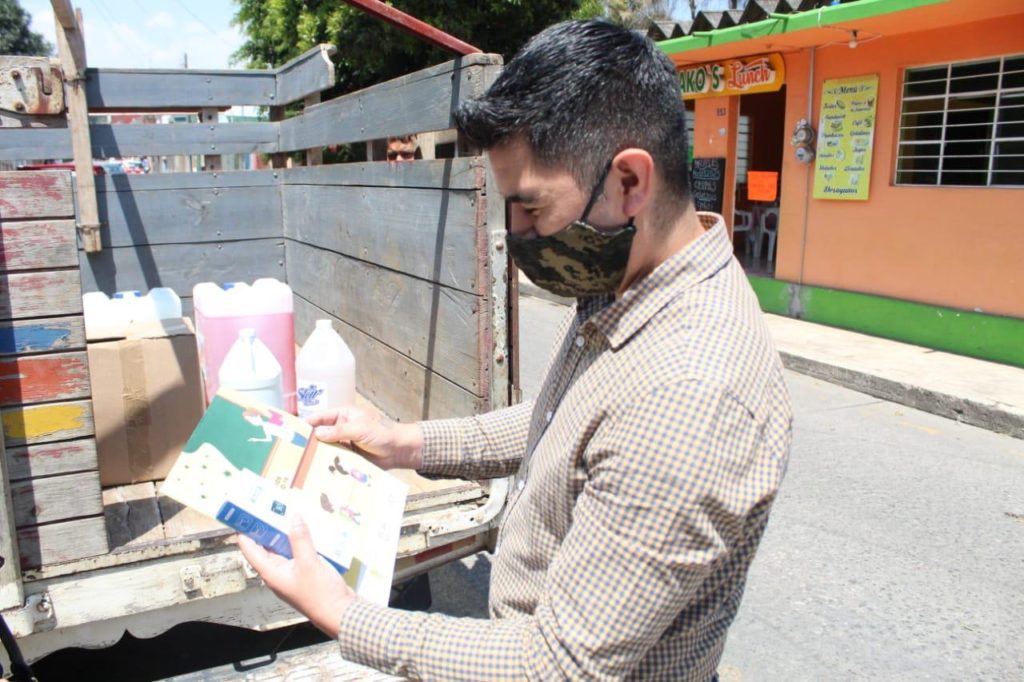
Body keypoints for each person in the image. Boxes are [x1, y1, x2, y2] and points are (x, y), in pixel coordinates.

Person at [240, 19, 792, 681]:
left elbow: (555, 667)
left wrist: (343, 614)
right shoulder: (626, 276)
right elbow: (568, 421)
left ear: (629, 181)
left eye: (531, 208)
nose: (515, 232)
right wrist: (406, 442)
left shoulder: (689, 396)